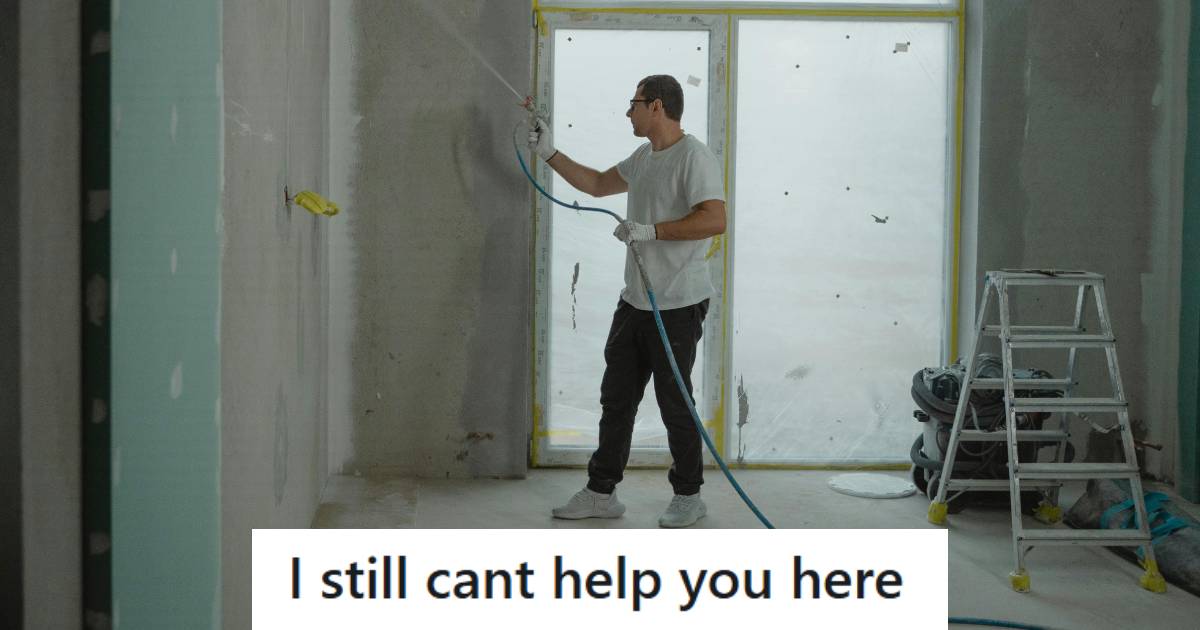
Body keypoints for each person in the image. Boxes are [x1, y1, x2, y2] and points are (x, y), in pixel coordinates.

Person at [529, 74, 726, 528]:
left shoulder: (694, 158)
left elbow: (715, 219)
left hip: (677, 302)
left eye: (633, 103)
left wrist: (652, 231)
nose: (628, 111)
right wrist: (549, 153)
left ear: (655, 106)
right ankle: (602, 492)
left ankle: (688, 495)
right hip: (635, 300)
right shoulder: (644, 157)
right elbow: (598, 184)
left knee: (675, 400)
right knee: (616, 398)